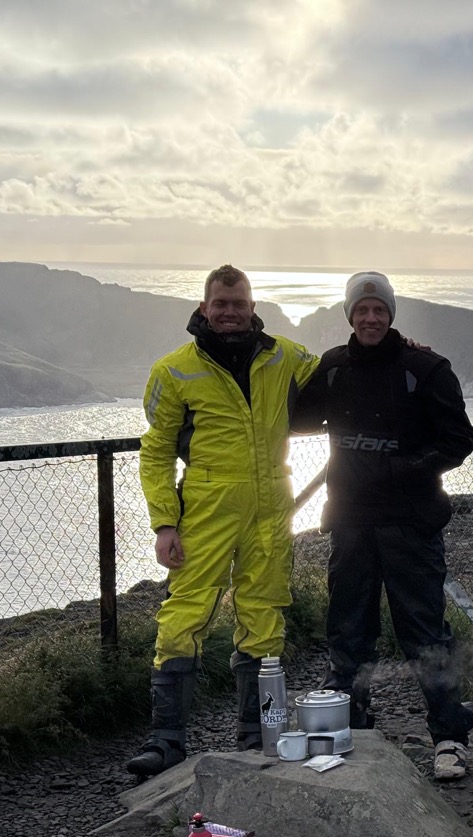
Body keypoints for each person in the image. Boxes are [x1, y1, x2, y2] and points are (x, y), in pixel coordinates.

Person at [127, 264, 320, 778]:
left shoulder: (286, 357)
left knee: (264, 615)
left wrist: (400, 347)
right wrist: (164, 523)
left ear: (253, 307)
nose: (230, 312)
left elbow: (340, 376)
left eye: (239, 304)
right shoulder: (174, 370)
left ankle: (260, 735)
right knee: (183, 615)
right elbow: (155, 452)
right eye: (221, 304)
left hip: (271, 506)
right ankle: (166, 742)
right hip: (206, 508)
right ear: (204, 307)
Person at [293, 270, 473, 780]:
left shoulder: (425, 368)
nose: (370, 317)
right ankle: (348, 725)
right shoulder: (331, 369)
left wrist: (403, 470)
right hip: (350, 523)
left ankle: (449, 739)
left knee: (424, 631)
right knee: (348, 630)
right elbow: (286, 413)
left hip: (410, 524)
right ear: (349, 315)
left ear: (391, 315)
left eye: (379, 309)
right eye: (362, 309)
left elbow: (458, 440)